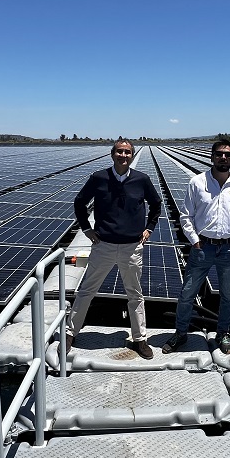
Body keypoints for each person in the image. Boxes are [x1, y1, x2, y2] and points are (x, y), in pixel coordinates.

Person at [68, 137, 162, 358]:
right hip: (104, 245)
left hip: (132, 247)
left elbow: (156, 204)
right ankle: (71, 332)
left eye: (127, 152)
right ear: (113, 154)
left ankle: (140, 339)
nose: (123, 156)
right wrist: (86, 229)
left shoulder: (142, 180)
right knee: (86, 291)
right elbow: (79, 202)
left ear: (132, 155)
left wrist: (149, 227)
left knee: (135, 294)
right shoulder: (99, 178)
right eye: (119, 152)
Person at [165, 137, 230, 355]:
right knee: (188, 292)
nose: (223, 157)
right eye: (219, 154)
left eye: (228, 154)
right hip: (202, 247)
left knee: (228, 295)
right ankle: (181, 333)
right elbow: (186, 215)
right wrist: (194, 241)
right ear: (212, 156)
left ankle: (222, 333)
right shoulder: (197, 183)